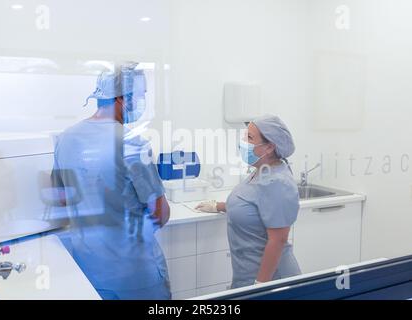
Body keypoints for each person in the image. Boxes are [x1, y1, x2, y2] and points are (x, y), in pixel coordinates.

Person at [51, 64, 171, 300]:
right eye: (139, 96)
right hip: (135, 276)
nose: (140, 102)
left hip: (91, 272)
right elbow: (160, 214)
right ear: (122, 99)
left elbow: (62, 200)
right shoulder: (132, 144)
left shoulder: (65, 139)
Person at [196, 114, 301, 289]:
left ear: (269, 147)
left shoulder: (277, 182)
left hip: (271, 280)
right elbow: (251, 203)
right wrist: (218, 206)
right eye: (245, 135)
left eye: (250, 138)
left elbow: (278, 240)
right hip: (247, 274)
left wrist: (260, 286)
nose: (243, 141)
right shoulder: (261, 170)